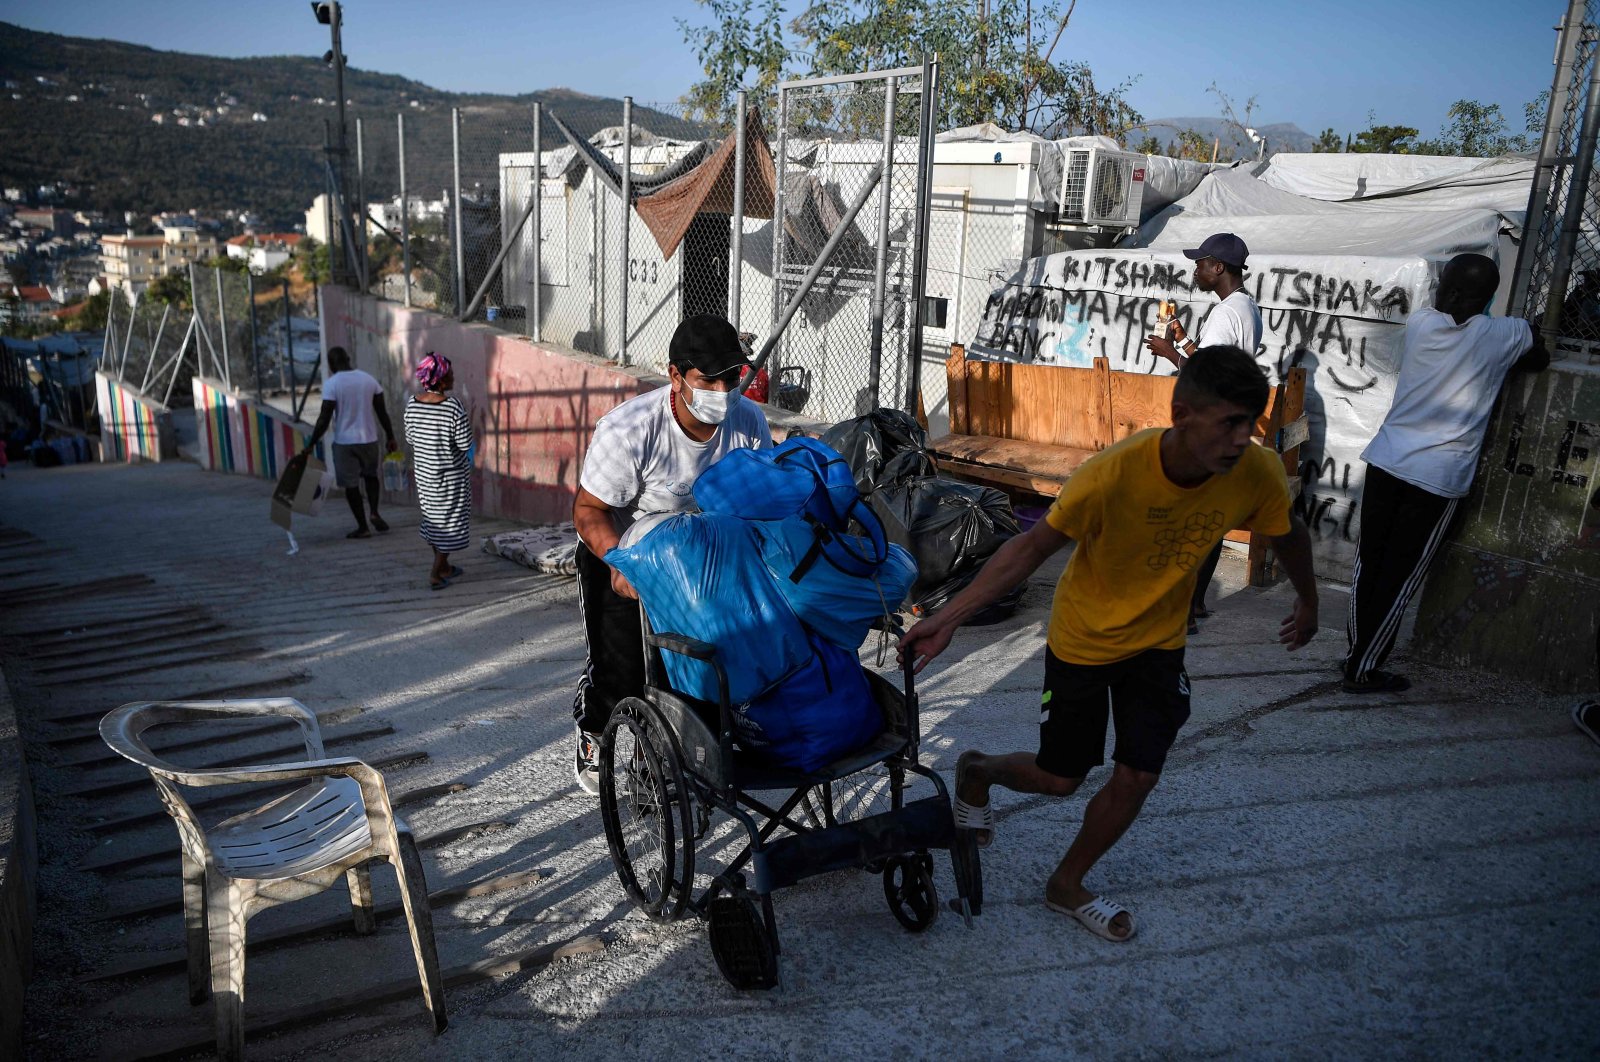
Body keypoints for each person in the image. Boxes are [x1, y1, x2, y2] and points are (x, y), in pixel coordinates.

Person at [899, 345, 1319, 943]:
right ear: (1181, 415)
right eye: (1227, 422)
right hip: (1084, 642)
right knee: (1061, 778)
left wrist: (1309, 599)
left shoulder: (1257, 472)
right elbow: (1029, 549)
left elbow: (1288, 532)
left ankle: (1066, 883)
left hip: (1159, 646)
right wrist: (951, 616)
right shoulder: (1111, 475)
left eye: (1250, 423)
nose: (1239, 439)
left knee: (1138, 775)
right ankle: (978, 772)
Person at [570, 314, 772, 794]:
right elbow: (587, 510)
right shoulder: (631, 430)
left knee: (703, 667)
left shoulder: (748, 422)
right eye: (709, 379)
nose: (724, 390)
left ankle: (655, 758)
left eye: (732, 377)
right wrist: (620, 564)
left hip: (702, 558)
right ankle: (593, 728)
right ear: (676, 376)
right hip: (623, 554)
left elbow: (759, 501)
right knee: (622, 668)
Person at [1344, 253, 1548, 694]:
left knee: (1371, 564)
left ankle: (1357, 655)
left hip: (1387, 461)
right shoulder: (1503, 335)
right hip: (1436, 476)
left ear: (1451, 292)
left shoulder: (1421, 325)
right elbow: (1539, 353)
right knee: (1400, 574)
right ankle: (1363, 667)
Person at [1146, 232, 1264, 634]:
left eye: (1201, 263)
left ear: (1219, 268)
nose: (1196, 270)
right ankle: (1194, 604)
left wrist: (1170, 353)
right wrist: (1185, 341)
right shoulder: (1246, 308)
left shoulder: (1225, 314)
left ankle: (1182, 612)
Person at [301, 346, 397, 540]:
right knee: (371, 477)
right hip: (369, 440)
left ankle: (363, 527)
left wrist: (312, 442)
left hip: (345, 443)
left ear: (330, 364)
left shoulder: (332, 384)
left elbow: (324, 417)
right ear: (348, 358)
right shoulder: (368, 379)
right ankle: (374, 512)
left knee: (351, 485)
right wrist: (391, 437)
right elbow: (382, 412)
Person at [403, 352, 474, 590]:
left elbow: (410, 438)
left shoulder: (412, 404)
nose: (454, 376)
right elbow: (465, 444)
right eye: (450, 374)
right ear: (441, 380)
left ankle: (444, 566)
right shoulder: (453, 407)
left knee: (435, 521)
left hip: (424, 476)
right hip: (451, 479)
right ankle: (435, 572)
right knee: (451, 523)